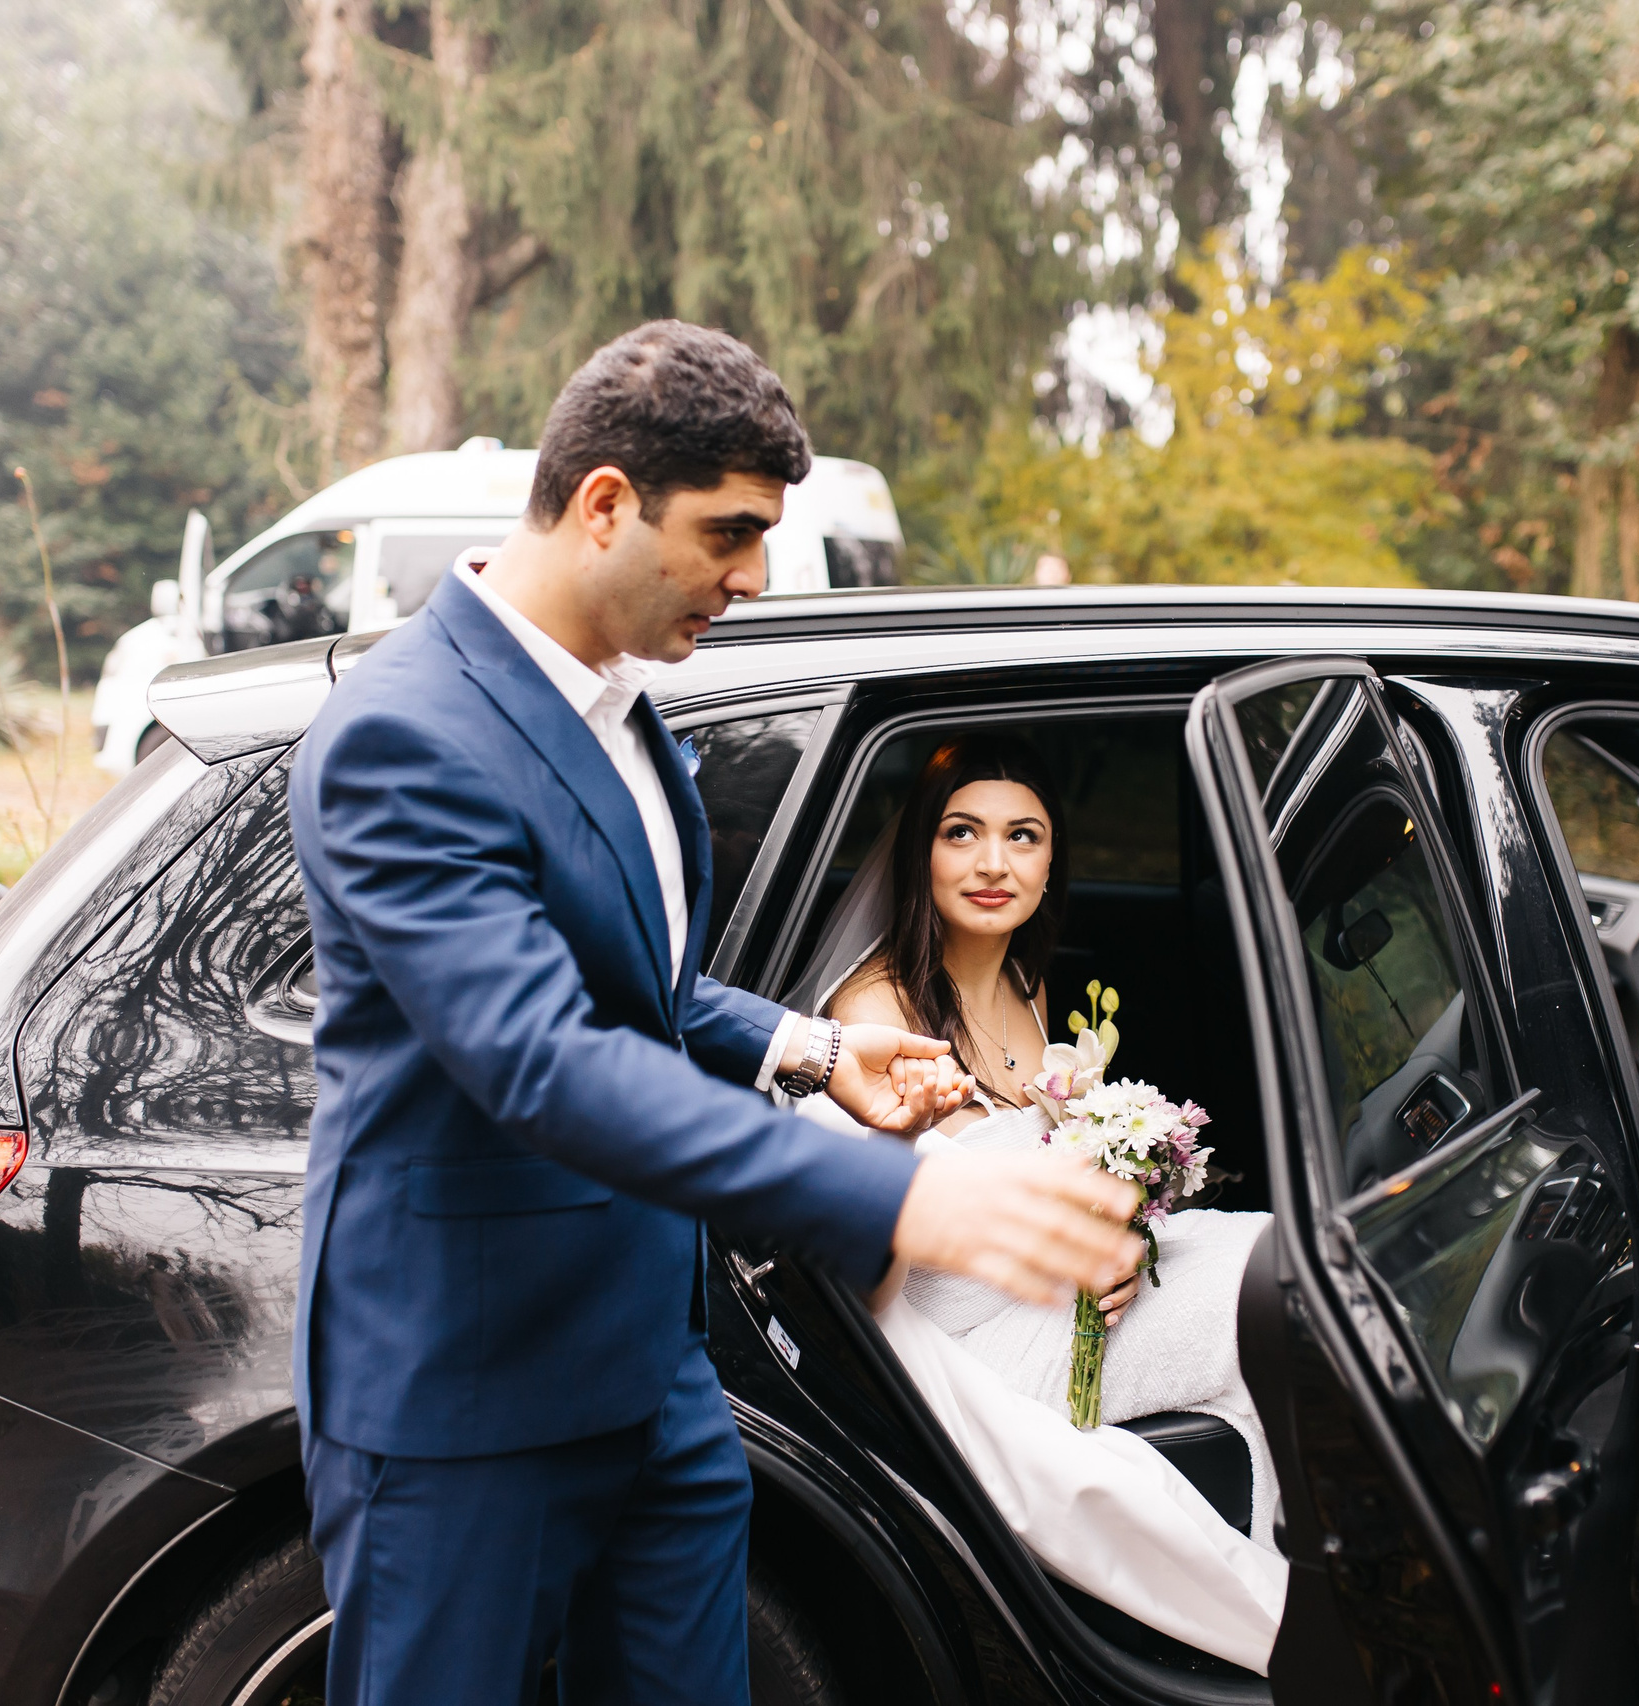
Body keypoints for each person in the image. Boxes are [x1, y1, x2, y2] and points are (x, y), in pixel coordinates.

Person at [287, 322, 1144, 1706]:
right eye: (731, 533)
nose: (753, 576)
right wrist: (896, 1198)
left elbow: (641, 986)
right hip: (466, 1394)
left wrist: (808, 1047)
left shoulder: (625, 708)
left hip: (659, 1378)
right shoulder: (405, 734)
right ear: (606, 501)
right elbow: (542, 1058)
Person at [807, 734, 1286, 1674]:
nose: (994, 864)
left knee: (1279, 1252)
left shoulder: (1027, 989)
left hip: (1054, 1304)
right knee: (1267, 1297)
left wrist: (1116, 1239)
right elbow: (856, 1295)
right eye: (962, 834)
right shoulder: (872, 1021)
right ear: (921, 854)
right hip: (963, 1354)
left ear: (1052, 858)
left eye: (1023, 837)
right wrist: (898, 1163)